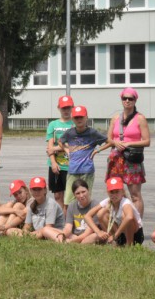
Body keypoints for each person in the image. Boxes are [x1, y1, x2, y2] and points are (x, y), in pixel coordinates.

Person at [104, 87, 150, 217]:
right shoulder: (115, 118)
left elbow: (147, 141)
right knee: (115, 192)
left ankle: (137, 226)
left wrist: (129, 143)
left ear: (135, 100)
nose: (128, 101)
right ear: (121, 99)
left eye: (131, 98)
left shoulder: (140, 118)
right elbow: (108, 138)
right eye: (125, 98)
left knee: (135, 195)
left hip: (132, 159)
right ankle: (117, 222)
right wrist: (115, 142)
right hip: (116, 159)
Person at [61, 106, 109, 205]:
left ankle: (85, 220)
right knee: (68, 200)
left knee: (85, 200)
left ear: (86, 117)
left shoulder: (92, 132)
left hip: (87, 170)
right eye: (76, 117)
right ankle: (69, 220)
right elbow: (60, 141)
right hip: (73, 170)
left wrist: (97, 150)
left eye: (81, 117)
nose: (79, 120)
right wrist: (66, 150)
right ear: (72, 119)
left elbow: (109, 142)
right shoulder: (69, 133)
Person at [84, 177, 144, 246]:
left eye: (117, 191)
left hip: (136, 235)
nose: (114, 195)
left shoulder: (125, 202)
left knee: (125, 216)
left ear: (122, 192)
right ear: (107, 192)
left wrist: (115, 235)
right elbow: (87, 216)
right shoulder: (107, 201)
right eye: (111, 192)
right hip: (121, 233)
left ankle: (129, 245)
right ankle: (115, 242)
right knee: (101, 213)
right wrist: (98, 232)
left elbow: (129, 217)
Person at [7, 177, 64, 241]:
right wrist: (26, 233)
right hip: (37, 233)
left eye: (39, 189)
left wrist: (30, 234)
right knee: (10, 231)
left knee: (45, 230)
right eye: (34, 189)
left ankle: (27, 238)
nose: (37, 192)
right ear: (30, 191)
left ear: (45, 190)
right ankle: (28, 238)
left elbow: (48, 228)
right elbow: (27, 227)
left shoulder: (51, 204)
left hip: (52, 233)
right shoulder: (31, 204)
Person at [45, 95, 75, 210]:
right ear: (59, 108)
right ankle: (61, 221)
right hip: (56, 165)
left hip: (70, 165)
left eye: (68, 107)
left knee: (69, 196)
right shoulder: (53, 124)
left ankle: (68, 222)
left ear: (72, 107)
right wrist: (53, 163)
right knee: (58, 195)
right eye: (63, 108)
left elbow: (75, 146)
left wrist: (55, 148)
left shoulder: (75, 123)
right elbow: (49, 146)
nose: (66, 110)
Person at [62, 179, 99, 244]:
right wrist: (62, 235)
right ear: (74, 195)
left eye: (83, 192)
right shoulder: (71, 205)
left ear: (88, 190)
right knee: (48, 230)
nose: (81, 196)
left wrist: (71, 241)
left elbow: (89, 231)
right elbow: (68, 227)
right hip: (74, 235)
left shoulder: (95, 205)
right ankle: (78, 242)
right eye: (78, 193)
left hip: (89, 235)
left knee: (95, 236)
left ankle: (80, 242)